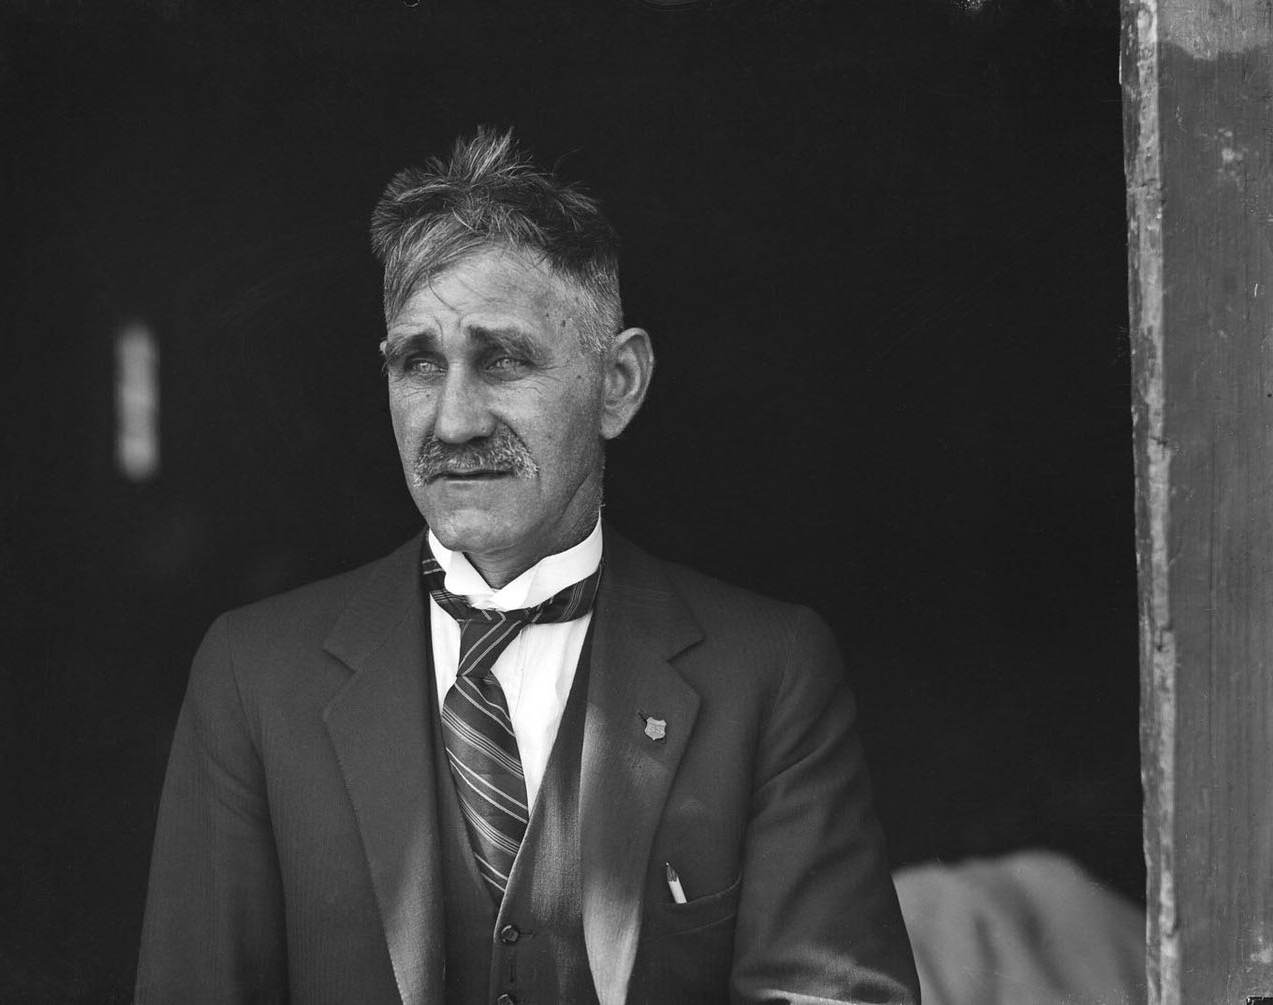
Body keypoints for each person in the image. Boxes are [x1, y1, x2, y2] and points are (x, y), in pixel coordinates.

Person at [135, 127, 919, 1005]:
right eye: (419, 363)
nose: (454, 419)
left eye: (502, 359)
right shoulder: (252, 675)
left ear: (618, 381)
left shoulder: (769, 672)